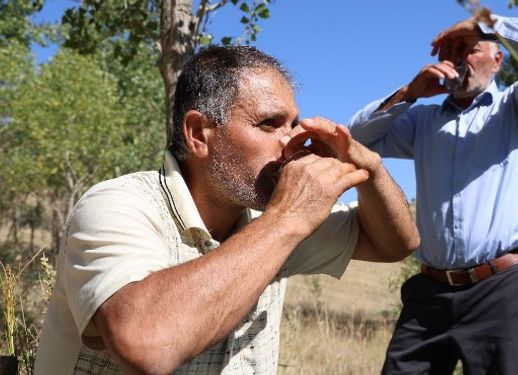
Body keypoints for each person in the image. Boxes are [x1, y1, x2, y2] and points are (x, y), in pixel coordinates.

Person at [34, 45, 419, 375]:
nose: (293, 142)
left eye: (293, 124)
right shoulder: (119, 204)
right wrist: (286, 220)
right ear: (199, 133)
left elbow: (395, 243)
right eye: (269, 124)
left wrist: (371, 169)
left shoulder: (265, 220)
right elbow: (146, 345)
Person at [347, 12, 518, 375]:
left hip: (501, 290)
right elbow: (356, 139)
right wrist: (409, 94)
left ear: (498, 61)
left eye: (469, 47)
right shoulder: (423, 121)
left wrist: (486, 24)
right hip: (431, 292)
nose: (457, 58)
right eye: (449, 50)